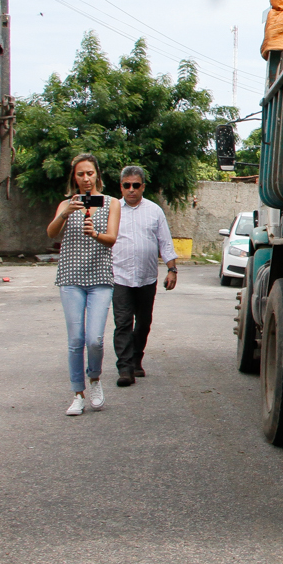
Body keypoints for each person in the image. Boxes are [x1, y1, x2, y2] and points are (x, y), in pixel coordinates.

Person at [44, 153, 120, 416]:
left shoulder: (112, 203)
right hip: (71, 278)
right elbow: (51, 233)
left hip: (100, 278)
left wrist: (95, 234)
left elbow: (111, 239)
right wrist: (64, 214)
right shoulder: (68, 204)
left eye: (89, 173)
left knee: (95, 339)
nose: (85, 179)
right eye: (80, 174)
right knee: (76, 339)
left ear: (97, 174)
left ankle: (95, 379)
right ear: (73, 177)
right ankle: (77, 393)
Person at [110, 165, 179, 387]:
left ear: (143, 187)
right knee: (122, 323)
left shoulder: (154, 211)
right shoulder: (112, 209)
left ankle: (136, 358)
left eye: (136, 185)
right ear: (121, 187)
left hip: (146, 277)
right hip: (119, 277)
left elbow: (165, 242)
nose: (131, 190)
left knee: (143, 322)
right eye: (127, 185)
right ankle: (125, 368)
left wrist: (172, 269)